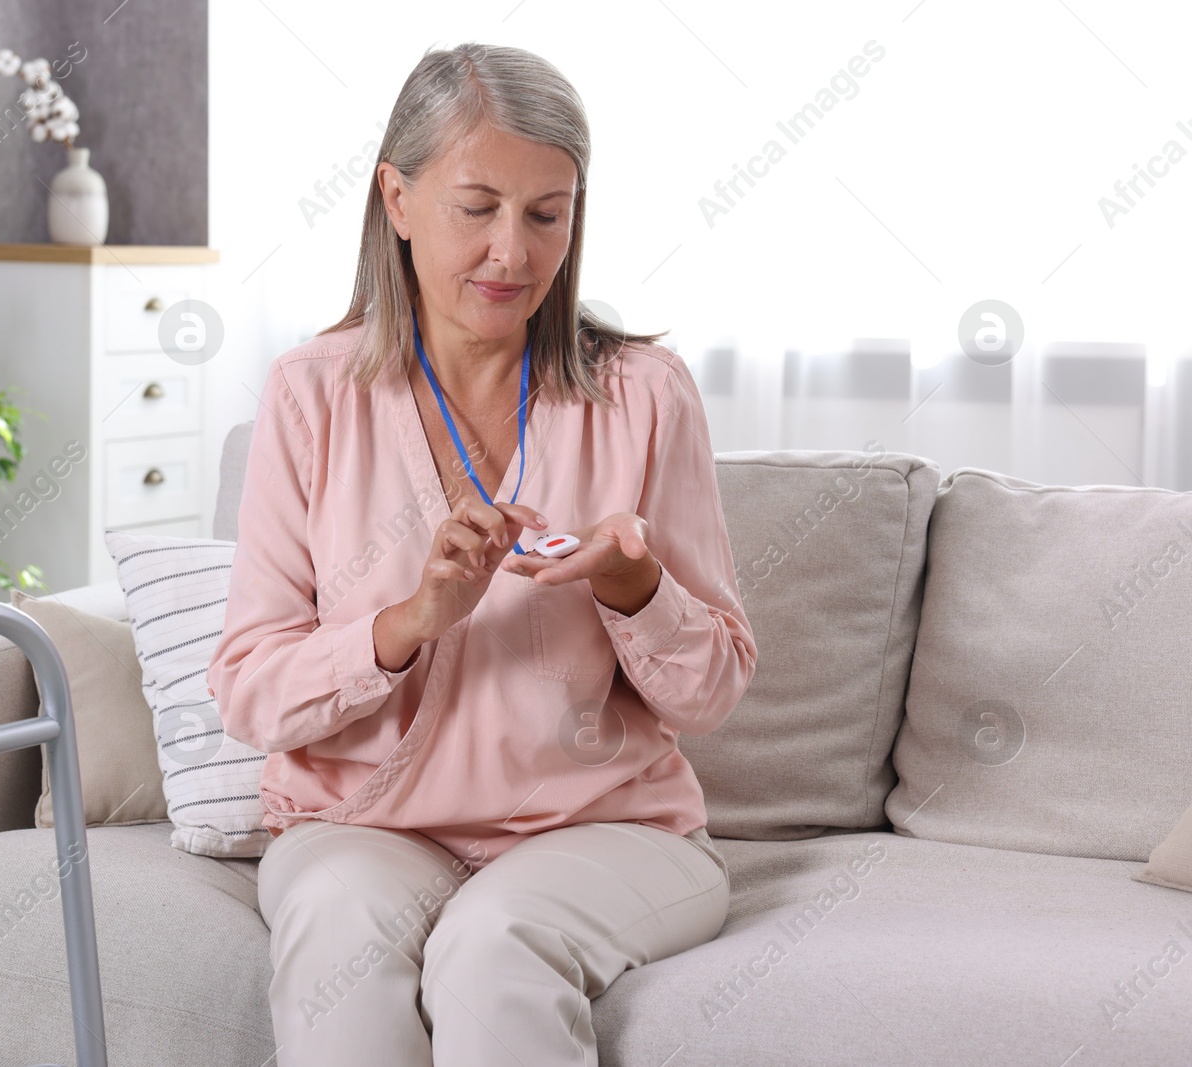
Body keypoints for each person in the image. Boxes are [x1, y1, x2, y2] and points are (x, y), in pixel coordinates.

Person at [207, 40, 757, 1067]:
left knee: (496, 941)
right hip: (363, 831)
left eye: (547, 213)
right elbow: (248, 690)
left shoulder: (640, 393)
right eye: (477, 207)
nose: (512, 252)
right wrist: (406, 624)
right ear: (396, 198)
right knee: (337, 922)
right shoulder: (311, 393)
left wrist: (638, 590)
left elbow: (713, 689)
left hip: (604, 830)